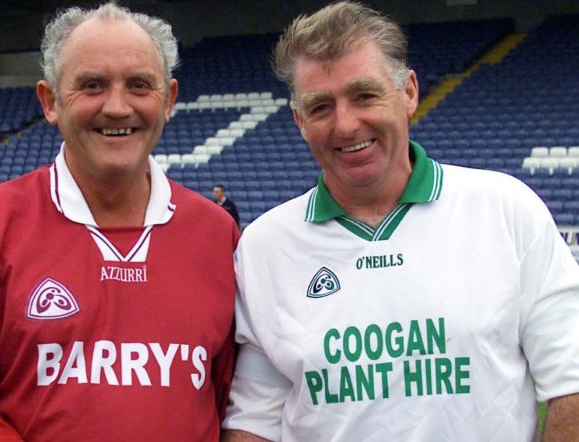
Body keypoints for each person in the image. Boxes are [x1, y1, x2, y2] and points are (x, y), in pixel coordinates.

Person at [222, 2, 579, 441]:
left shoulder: (505, 209)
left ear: (408, 92)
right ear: (299, 121)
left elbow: (572, 384)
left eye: (364, 95)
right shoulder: (265, 246)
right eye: (320, 107)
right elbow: (254, 421)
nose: (346, 124)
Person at [0, 3, 238, 441]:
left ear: (169, 100)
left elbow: (234, 404)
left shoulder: (217, 235)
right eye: (92, 85)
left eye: (139, 85)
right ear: (50, 101)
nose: (117, 107)